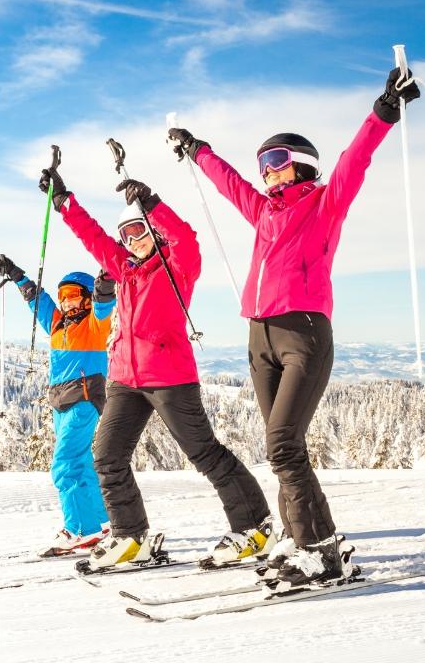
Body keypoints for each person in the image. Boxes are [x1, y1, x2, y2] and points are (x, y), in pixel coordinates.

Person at [166, 66, 420, 585]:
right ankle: (314, 541)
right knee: (283, 446)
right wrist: (198, 149)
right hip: (259, 335)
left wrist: (382, 111)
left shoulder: (325, 205)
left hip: (303, 332)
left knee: (282, 443)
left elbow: (355, 162)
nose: (268, 173)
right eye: (264, 165)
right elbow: (228, 183)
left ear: (301, 165)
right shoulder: (263, 212)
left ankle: (318, 550)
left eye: (277, 162)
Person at [38, 168, 272, 571]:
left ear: (155, 233)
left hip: (169, 377)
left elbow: (187, 238)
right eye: (126, 234)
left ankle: (254, 526)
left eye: (139, 231)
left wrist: (152, 203)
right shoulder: (124, 269)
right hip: (126, 380)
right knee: (107, 456)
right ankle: (131, 537)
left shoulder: (177, 267)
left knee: (204, 453)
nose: (131, 240)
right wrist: (64, 202)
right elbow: (92, 236)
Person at [0, 256, 112, 556]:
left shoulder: (95, 325)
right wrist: (17, 274)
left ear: (86, 298)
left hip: (84, 400)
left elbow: (104, 304)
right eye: (64, 297)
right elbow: (38, 301)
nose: (67, 303)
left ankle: (81, 530)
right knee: (81, 463)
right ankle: (104, 521)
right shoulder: (58, 325)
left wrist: (105, 284)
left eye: (73, 296)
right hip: (61, 403)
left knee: (64, 465)